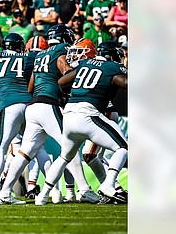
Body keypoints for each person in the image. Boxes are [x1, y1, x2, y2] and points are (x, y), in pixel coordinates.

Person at [0, 25, 100, 205]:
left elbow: (30, 86)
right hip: (48, 104)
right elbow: (66, 71)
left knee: (25, 152)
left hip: (34, 106)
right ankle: (84, 189)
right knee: (70, 146)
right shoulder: (61, 51)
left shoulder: (39, 55)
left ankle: (5, 192)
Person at [35, 40, 128, 205]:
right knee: (123, 147)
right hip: (88, 114)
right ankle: (109, 184)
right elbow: (125, 83)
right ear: (113, 55)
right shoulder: (112, 67)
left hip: (69, 114)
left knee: (64, 157)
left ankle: (43, 196)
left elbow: (62, 82)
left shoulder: (84, 63)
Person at [0, 33, 34, 204]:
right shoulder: (29, 58)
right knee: (37, 149)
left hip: (9, 106)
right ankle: (57, 191)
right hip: (30, 105)